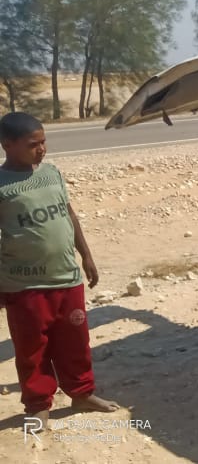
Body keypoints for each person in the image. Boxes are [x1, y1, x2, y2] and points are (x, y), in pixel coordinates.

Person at [0, 112, 118, 427]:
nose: (42, 149)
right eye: (32, 144)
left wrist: (86, 255)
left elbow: (69, 215)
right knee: (32, 349)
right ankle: (38, 405)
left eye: (43, 142)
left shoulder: (51, 173)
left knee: (75, 342)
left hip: (66, 278)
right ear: (7, 145)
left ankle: (82, 393)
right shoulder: (2, 185)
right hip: (24, 286)